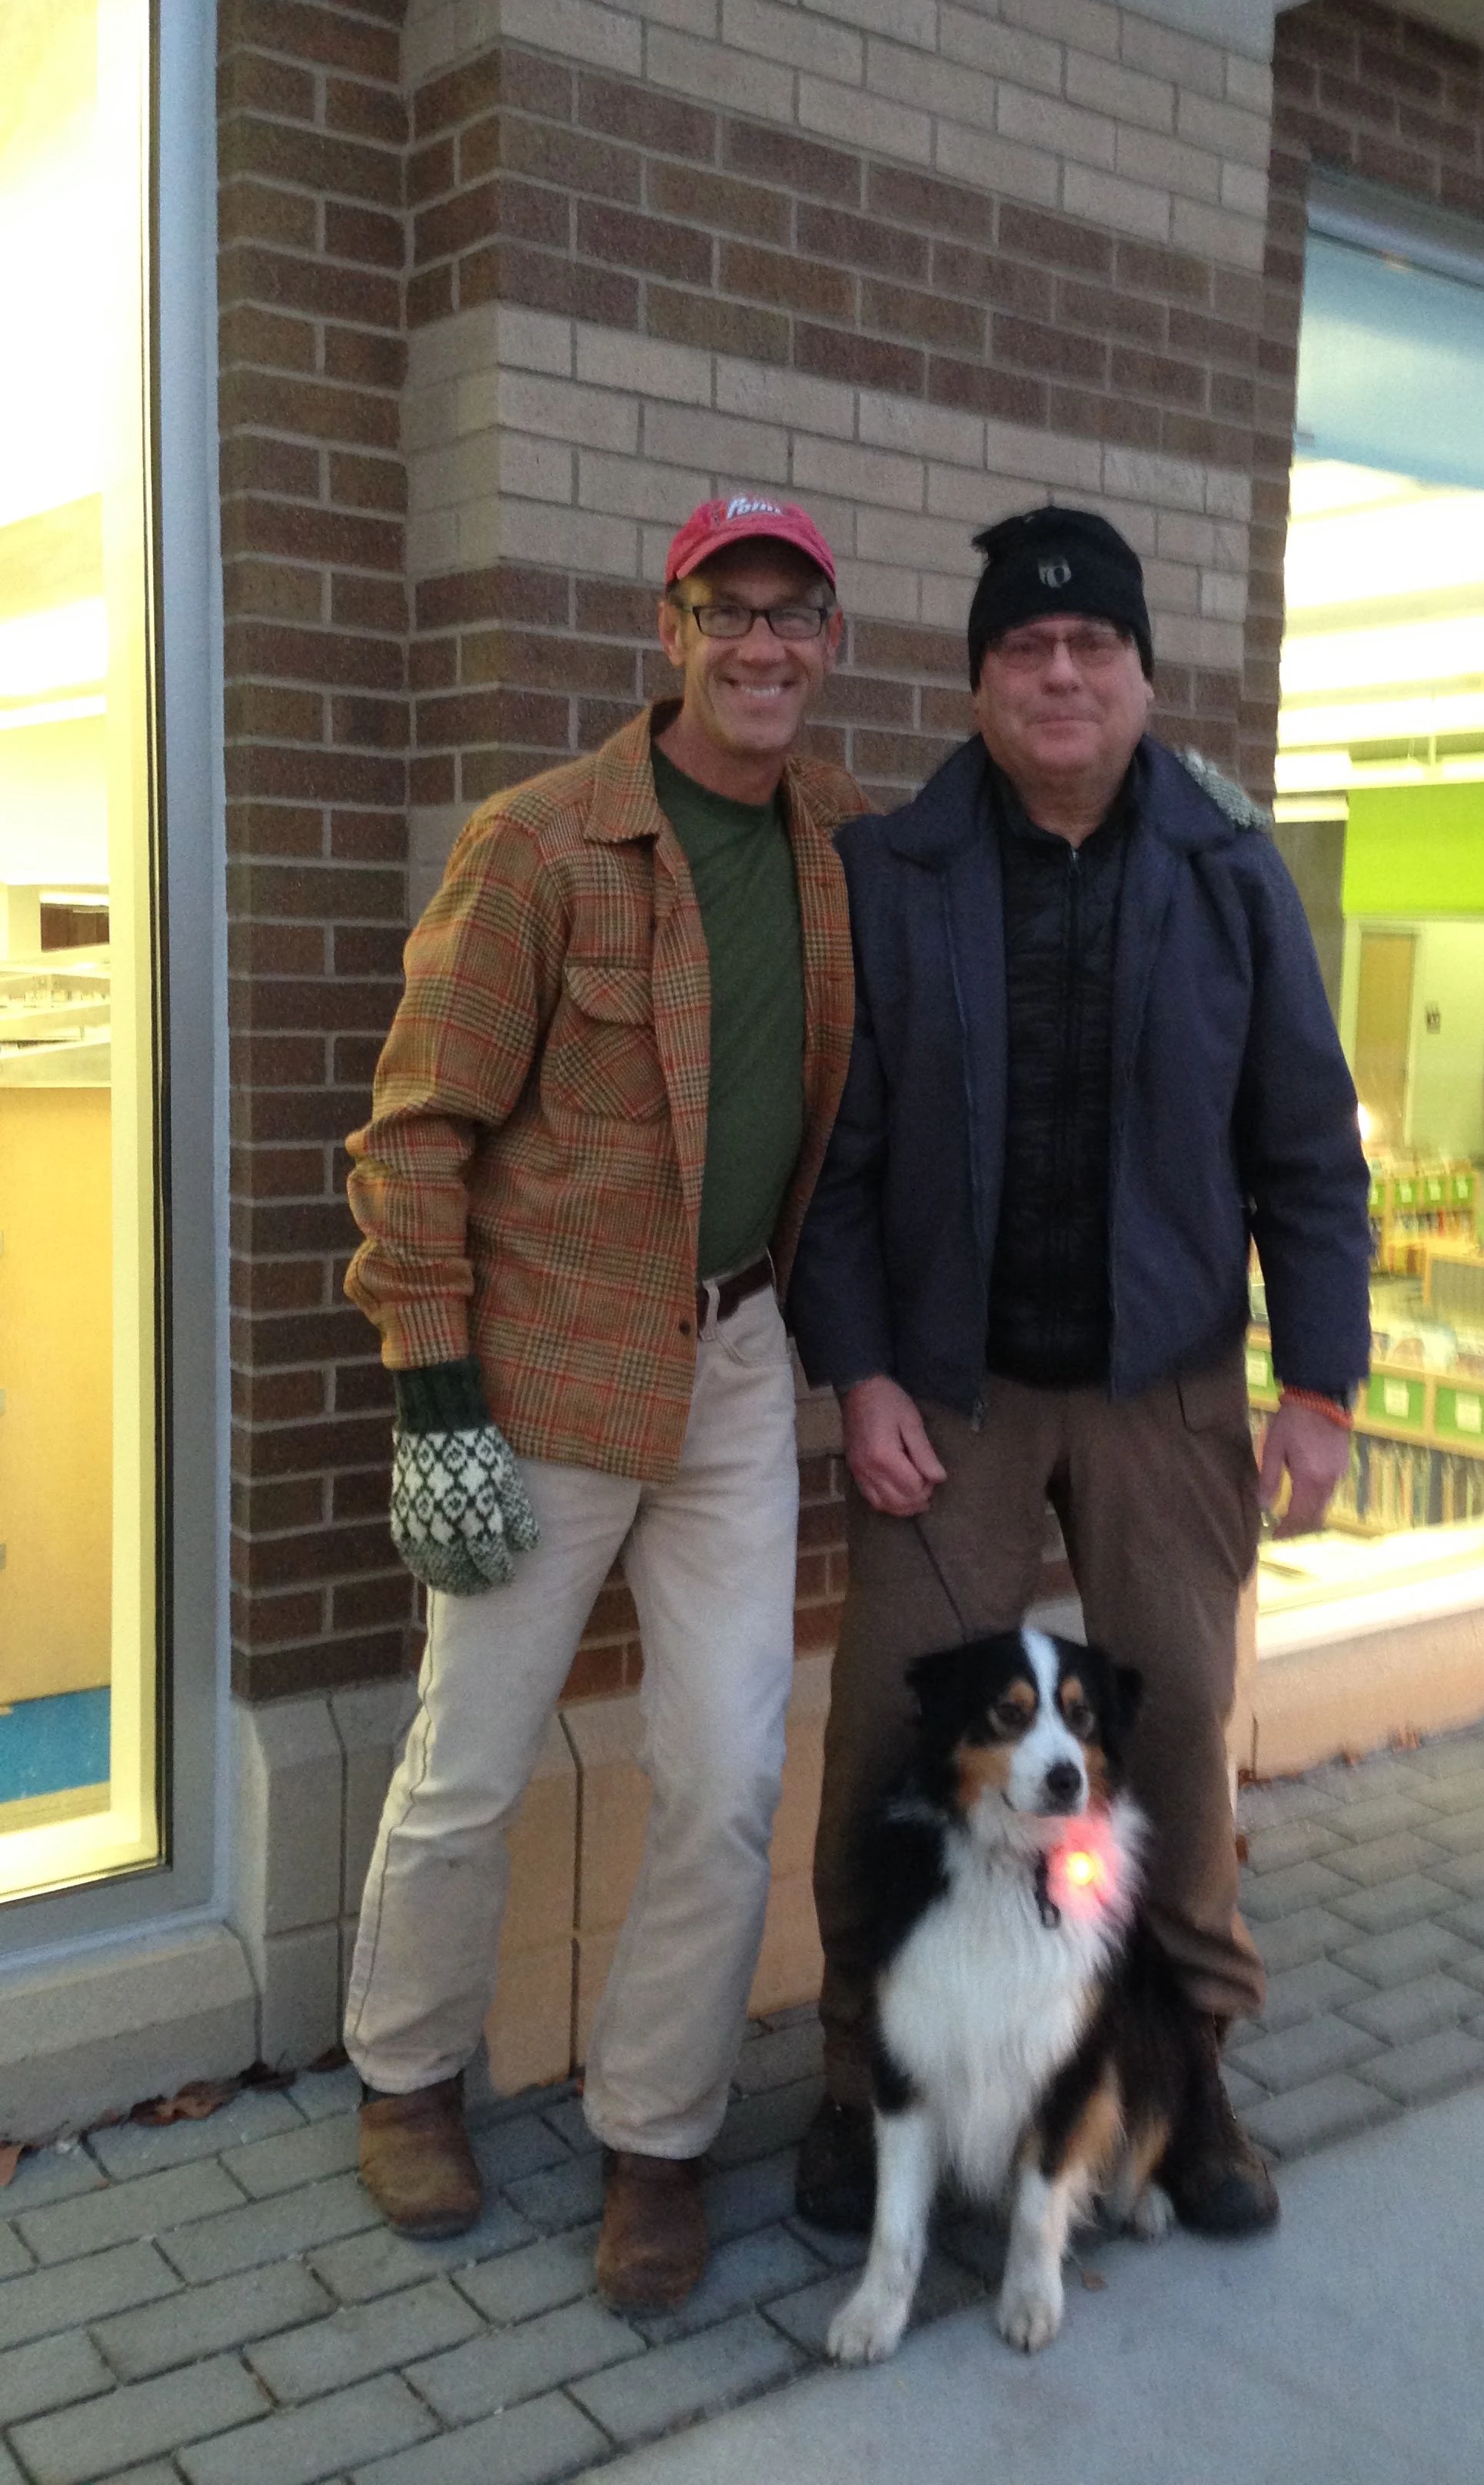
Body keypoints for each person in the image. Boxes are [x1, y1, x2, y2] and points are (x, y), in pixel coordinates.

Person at [787, 505, 1373, 2238]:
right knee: (889, 1738)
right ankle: (856, 2077)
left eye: (1091, 647)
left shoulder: (1229, 876)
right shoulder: (891, 876)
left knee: (1178, 1742)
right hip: (950, 1400)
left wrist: (1320, 1384)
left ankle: (1185, 2086)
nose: (1060, 674)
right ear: (977, 683)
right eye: (1026, 649)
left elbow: (1305, 1153)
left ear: (1139, 676)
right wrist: (864, 1376)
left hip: (1169, 1394)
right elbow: (843, 1166)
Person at [341, 493, 867, 2313]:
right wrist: (434, 1392)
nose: (763, 646)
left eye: (795, 615)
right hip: (545, 1366)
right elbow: (414, 1130)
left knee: (726, 1773)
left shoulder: (837, 846)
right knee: (468, 1759)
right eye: (731, 611)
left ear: (827, 644)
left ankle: (658, 2138)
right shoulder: (542, 847)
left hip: (731, 1367)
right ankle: (406, 2073)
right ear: (671, 629)